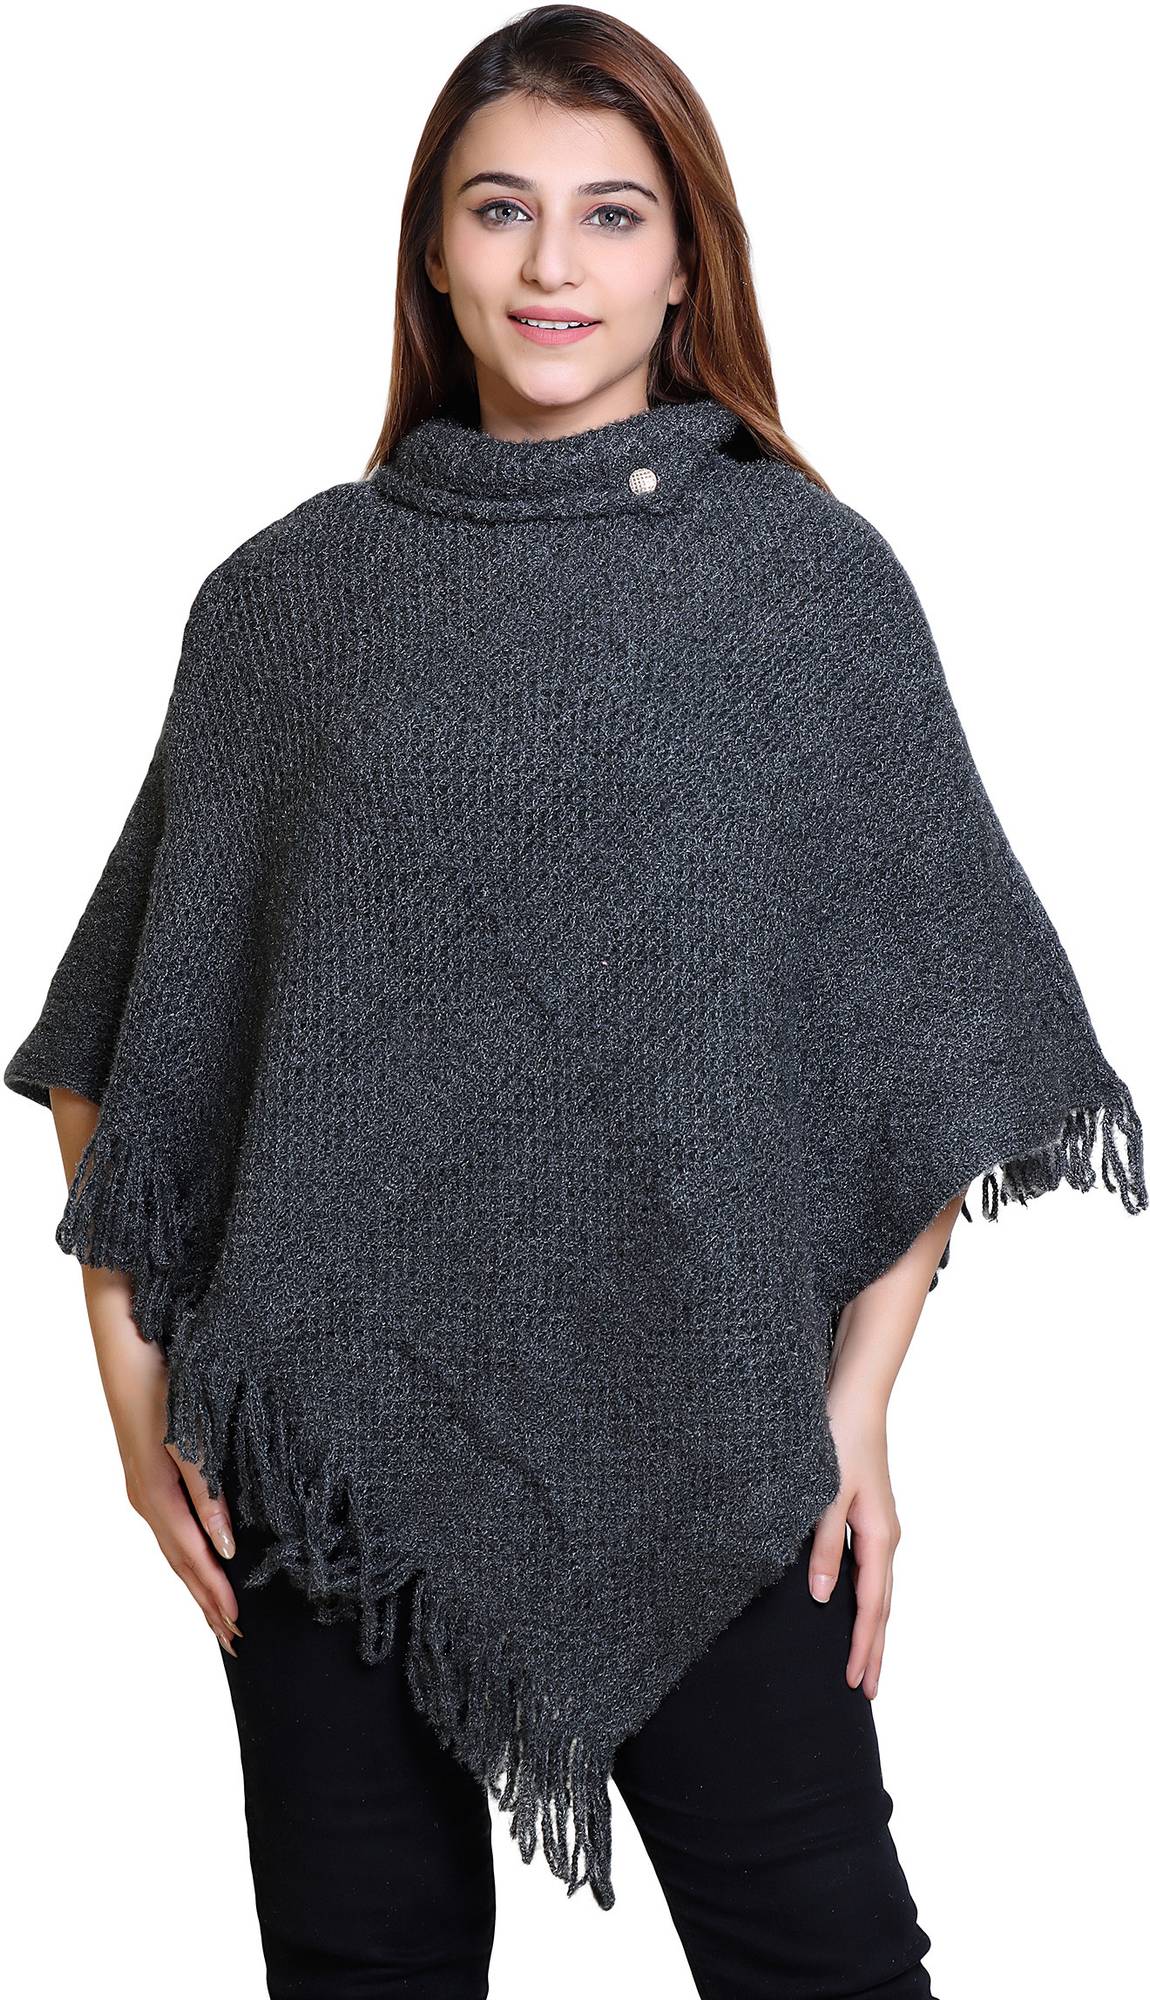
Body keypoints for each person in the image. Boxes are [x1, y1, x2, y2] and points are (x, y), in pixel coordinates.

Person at [6, 8, 1145, 1997]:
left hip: (710, 1440)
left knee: (821, 1960)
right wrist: (132, 1413)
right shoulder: (288, 601)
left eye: (611, 215)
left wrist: (853, 1415)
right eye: (500, 210)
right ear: (431, 251)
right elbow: (128, 1052)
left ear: (685, 260)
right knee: (363, 1972)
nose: (553, 265)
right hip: (326, 1452)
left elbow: (924, 1041)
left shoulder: (800, 586)